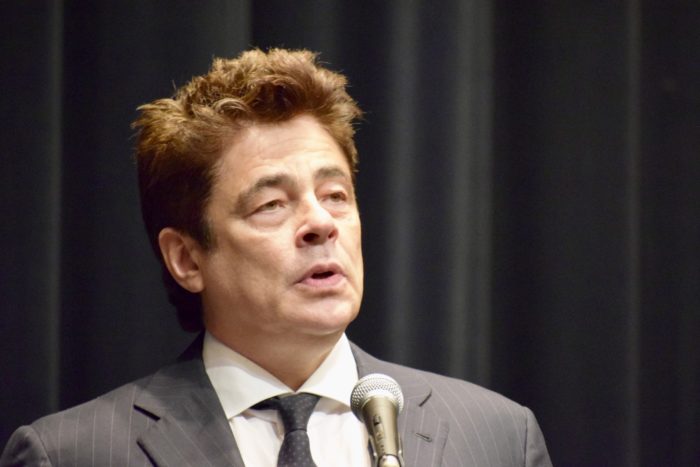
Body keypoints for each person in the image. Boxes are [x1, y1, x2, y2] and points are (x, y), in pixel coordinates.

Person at [1, 48, 552, 466]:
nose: (321, 223)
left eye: (336, 195)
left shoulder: (498, 437)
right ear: (187, 259)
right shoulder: (72, 454)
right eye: (271, 204)